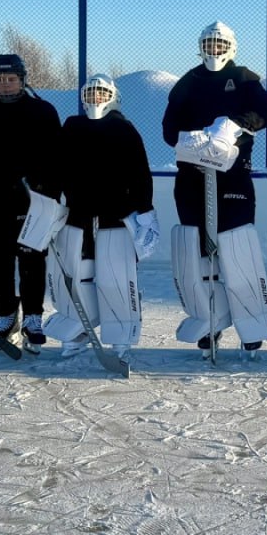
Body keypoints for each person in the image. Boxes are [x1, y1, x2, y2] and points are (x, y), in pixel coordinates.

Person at [163, 21, 267, 359]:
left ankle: (251, 320)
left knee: (236, 245)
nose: (214, 50)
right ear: (201, 47)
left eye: (219, 44)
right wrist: (190, 139)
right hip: (192, 175)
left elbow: (264, 113)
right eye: (209, 44)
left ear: (230, 46)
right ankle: (212, 317)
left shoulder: (244, 78)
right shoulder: (188, 81)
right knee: (200, 251)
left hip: (232, 175)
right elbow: (169, 128)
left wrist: (234, 126)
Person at [44, 73, 158, 361]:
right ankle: (79, 329)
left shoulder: (123, 129)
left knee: (115, 278)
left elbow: (140, 172)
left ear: (112, 97)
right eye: (91, 93)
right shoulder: (71, 126)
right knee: (76, 275)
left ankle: (121, 336)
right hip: (78, 215)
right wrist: (50, 202)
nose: (95, 99)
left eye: (101, 94)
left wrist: (144, 209)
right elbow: (56, 168)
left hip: (115, 216)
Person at [0, 53, 63, 352]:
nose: (5, 84)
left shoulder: (43, 111)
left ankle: (33, 316)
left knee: (32, 260)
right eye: (0, 79)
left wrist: (50, 191)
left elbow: (57, 155)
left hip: (33, 199)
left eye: (11, 79)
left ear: (22, 80)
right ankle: (7, 316)